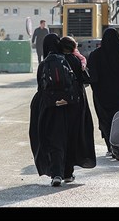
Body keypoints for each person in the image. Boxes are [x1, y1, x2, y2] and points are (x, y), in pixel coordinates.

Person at [29, 33, 96, 187]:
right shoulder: (71, 59)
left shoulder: (44, 64)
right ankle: (68, 172)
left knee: (54, 139)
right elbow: (84, 80)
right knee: (70, 138)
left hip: (51, 108)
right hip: (73, 107)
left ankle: (56, 173)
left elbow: (41, 87)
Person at [87, 27, 119, 156]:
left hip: (101, 96)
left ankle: (110, 147)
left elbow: (92, 77)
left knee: (105, 121)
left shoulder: (95, 55)